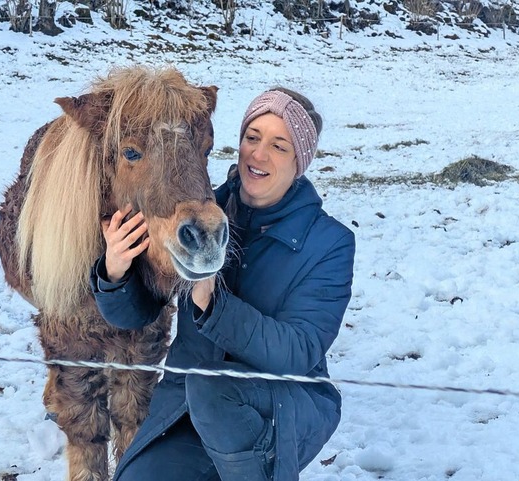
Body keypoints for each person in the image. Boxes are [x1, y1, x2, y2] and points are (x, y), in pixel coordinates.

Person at [90, 87, 355, 481]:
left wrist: (213, 304)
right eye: (252, 138)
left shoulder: (329, 242)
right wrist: (116, 271)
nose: (258, 155)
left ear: (300, 161)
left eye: (279, 146)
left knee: (214, 391)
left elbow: (300, 351)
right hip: (188, 402)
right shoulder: (203, 215)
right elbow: (137, 313)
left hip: (283, 404)